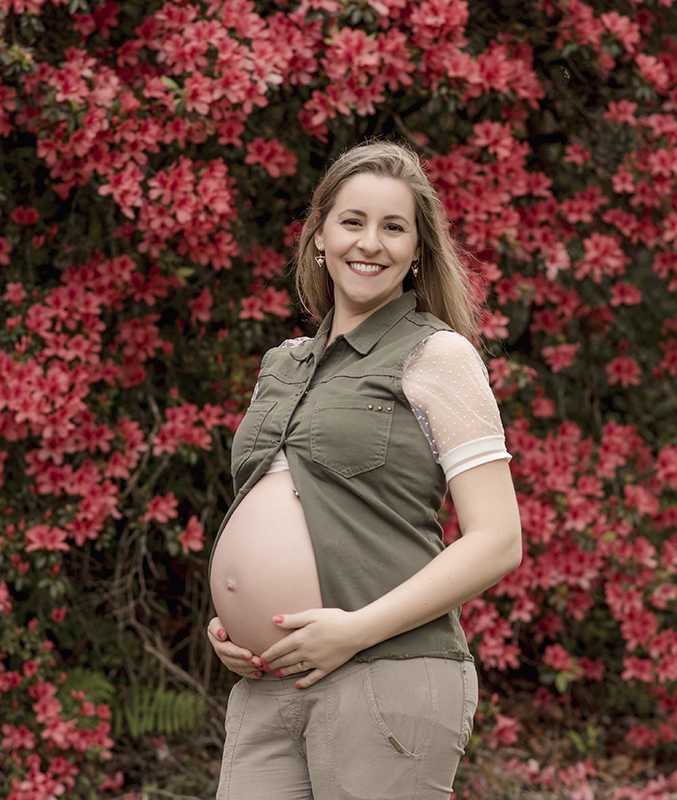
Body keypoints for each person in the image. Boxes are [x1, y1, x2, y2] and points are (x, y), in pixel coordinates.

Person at [206, 140, 523, 800]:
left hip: (385, 676)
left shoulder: (439, 356)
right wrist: (233, 624)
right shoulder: (282, 363)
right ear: (319, 235)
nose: (369, 243)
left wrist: (352, 631)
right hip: (267, 682)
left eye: (393, 227)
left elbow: (498, 541)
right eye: (352, 222)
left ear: (416, 252)